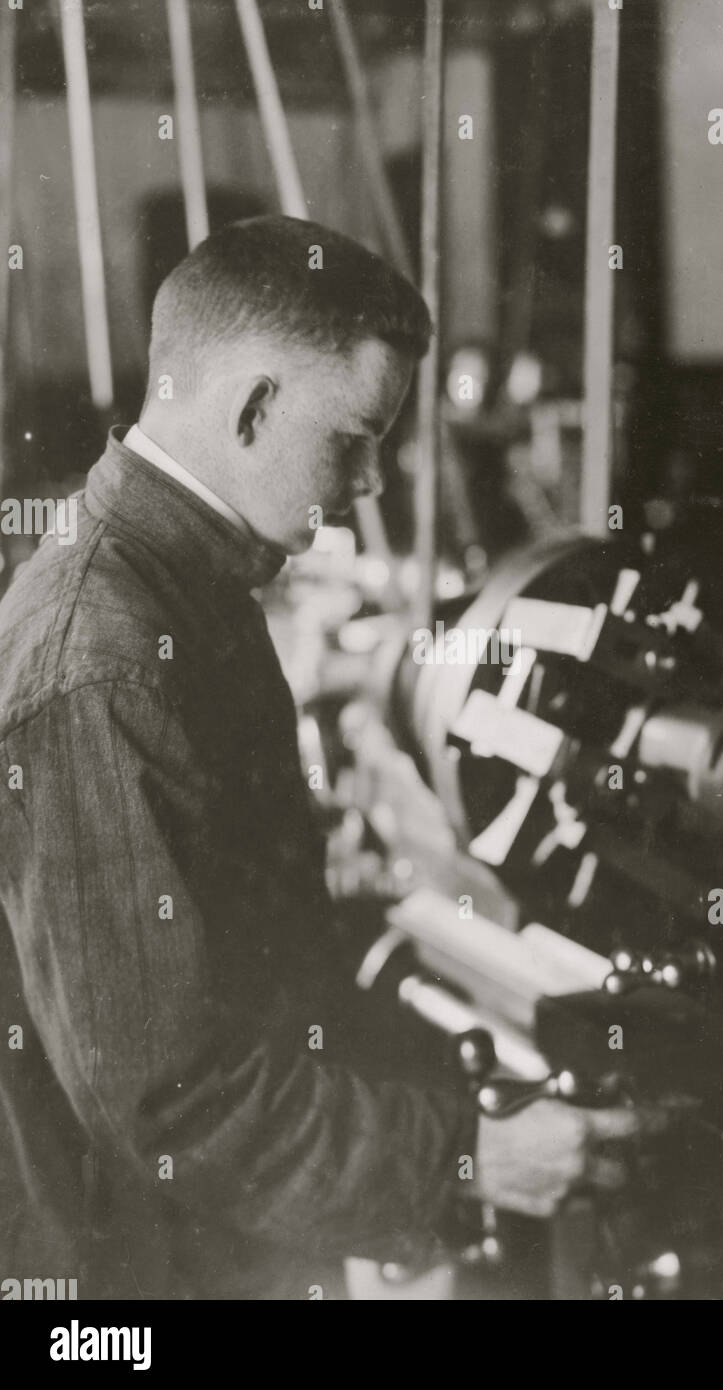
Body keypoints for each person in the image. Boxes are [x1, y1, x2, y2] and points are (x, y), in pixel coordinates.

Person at [0, 215, 657, 1299]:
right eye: (353, 439)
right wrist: (464, 1156)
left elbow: (241, 951)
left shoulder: (175, 585)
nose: (368, 484)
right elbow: (169, 1097)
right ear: (252, 408)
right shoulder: (104, 656)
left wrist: (436, 1087)